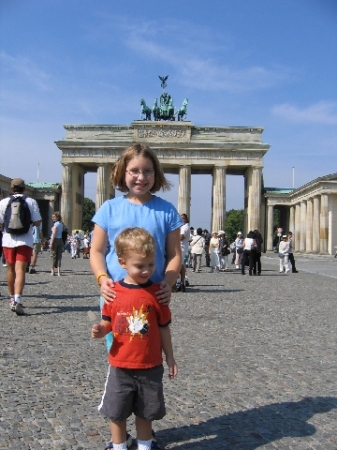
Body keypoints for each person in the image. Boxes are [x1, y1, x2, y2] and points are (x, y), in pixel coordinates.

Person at [90, 143, 182, 449]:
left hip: (152, 299)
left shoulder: (166, 210)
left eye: (147, 171)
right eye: (134, 171)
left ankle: (144, 432)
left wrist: (168, 281)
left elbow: (174, 254)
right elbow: (96, 250)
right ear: (122, 172)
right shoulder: (109, 208)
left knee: (147, 362)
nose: (140, 177)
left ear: (156, 174)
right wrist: (102, 278)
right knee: (120, 363)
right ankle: (120, 433)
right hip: (115, 298)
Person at [92, 228, 177, 450]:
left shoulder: (158, 293)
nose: (147, 270)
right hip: (120, 364)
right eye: (140, 266)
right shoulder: (113, 292)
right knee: (116, 411)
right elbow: (108, 321)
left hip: (150, 365)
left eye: (151, 264)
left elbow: (164, 328)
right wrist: (101, 330)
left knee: (146, 410)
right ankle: (119, 445)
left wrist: (170, 358)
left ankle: (145, 445)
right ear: (122, 263)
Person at [0, 178, 42, 315]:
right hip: (25, 240)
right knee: (21, 270)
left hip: (8, 240)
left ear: (12, 189)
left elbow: (1, 223)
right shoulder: (31, 201)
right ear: (24, 188)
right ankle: (18, 300)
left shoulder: (4, 202)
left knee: (10, 270)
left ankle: (11, 298)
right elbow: (37, 222)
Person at [178, 213, 190, 292]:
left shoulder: (185, 227)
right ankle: (181, 282)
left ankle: (180, 282)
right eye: (180, 218)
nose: (182, 219)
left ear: (186, 219)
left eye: (183, 218)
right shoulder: (184, 227)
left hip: (181, 246)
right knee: (180, 264)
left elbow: (181, 237)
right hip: (182, 246)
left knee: (178, 264)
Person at [50, 211, 64, 276]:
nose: (52, 218)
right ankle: (59, 271)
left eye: (54, 217)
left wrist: (51, 242)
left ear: (57, 217)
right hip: (60, 240)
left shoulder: (56, 225)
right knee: (59, 256)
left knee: (53, 256)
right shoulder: (61, 224)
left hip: (55, 240)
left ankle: (52, 271)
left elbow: (54, 234)